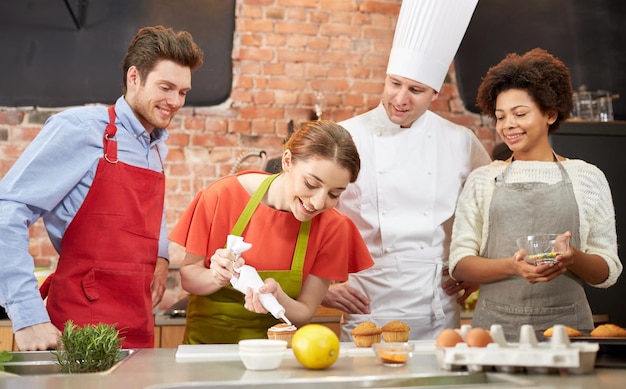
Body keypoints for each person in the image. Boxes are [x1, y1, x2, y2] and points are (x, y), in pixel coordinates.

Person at [0, 25, 204, 350]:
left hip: (138, 325)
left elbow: (153, 214)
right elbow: (6, 211)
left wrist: (161, 258)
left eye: (183, 92)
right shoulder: (80, 130)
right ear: (134, 77)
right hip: (79, 329)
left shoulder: (156, 148)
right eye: (166, 87)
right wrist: (28, 315)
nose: (175, 101)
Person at [320, 0, 491, 341]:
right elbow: (309, 215)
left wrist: (480, 267)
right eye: (394, 83)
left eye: (415, 90)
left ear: (434, 93)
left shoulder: (460, 141)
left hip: (437, 302)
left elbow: (491, 206)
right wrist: (320, 286)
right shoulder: (344, 136)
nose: (400, 98)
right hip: (366, 300)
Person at [448, 48, 623, 341]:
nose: (508, 125)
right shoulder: (483, 179)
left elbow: (606, 271)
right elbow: (460, 263)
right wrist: (513, 267)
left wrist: (572, 258)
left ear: (550, 114)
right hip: (493, 333)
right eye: (501, 117)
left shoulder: (587, 177)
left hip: (567, 331)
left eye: (520, 114)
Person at [170, 120, 374, 344]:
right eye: (311, 184)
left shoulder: (333, 227)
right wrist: (216, 276)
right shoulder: (223, 195)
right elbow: (189, 276)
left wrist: (278, 297)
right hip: (207, 351)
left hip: (276, 356)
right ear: (287, 161)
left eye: (334, 194)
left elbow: (304, 311)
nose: (318, 202)